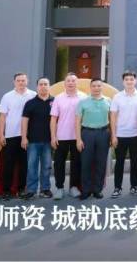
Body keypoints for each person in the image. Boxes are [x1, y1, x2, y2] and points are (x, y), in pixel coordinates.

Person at [0, 72, 36, 200]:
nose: (21, 82)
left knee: (24, 164)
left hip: (28, 135)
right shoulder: (7, 96)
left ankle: (21, 189)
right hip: (11, 135)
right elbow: (2, 117)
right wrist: (2, 135)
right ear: (14, 82)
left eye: (23, 80)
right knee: (8, 163)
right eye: (18, 80)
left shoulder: (33, 95)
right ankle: (6, 190)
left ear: (27, 81)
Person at [110, 71, 137, 198]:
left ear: (135, 81)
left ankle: (134, 186)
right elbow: (113, 116)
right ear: (123, 82)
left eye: (131, 79)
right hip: (120, 135)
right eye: (126, 79)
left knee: (135, 162)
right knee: (119, 162)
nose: (129, 81)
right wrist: (113, 135)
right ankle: (117, 188)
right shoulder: (117, 97)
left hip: (136, 134)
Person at [50, 72, 85, 200]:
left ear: (77, 82)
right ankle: (59, 188)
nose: (71, 83)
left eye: (73, 80)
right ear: (64, 83)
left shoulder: (83, 97)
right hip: (61, 136)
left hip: (78, 137)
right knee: (59, 163)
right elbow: (53, 119)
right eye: (68, 81)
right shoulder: (58, 98)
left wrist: (82, 138)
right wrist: (53, 137)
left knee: (77, 163)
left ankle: (73, 187)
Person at [75, 78, 111, 200]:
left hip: (103, 133)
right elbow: (77, 122)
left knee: (101, 163)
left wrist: (112, 136)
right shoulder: (83, 102)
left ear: (102, 87)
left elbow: (112, 120)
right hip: (87, 134)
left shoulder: (108, 101)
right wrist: (78, 139)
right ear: (90, 87)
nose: (96, 88)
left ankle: (97, 190)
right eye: (94, 86)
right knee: (86, 163)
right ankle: (85, 190)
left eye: (99, 86)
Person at [20, 77, 54, 200]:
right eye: (41, 84)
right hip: (32, 140)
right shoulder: (30, 103)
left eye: (46, 84)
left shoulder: (55, 102)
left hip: (48, 140)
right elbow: (24, 121)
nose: (43, 86)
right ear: (37, 87)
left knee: (46, 166)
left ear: (49, 86)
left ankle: (45, 189)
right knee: (31, 166)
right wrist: (24, 137)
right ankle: (31, 190)